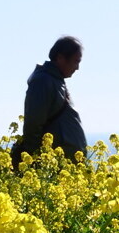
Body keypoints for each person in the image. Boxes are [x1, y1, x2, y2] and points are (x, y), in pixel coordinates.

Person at [12, 36, 87, 169]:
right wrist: (33, 160)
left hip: (64, 164)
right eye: (76, 61)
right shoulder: (43, 81)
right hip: (54, 165)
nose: (77, 68)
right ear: (60, 58)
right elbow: (33, 124)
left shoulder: (54, 80)